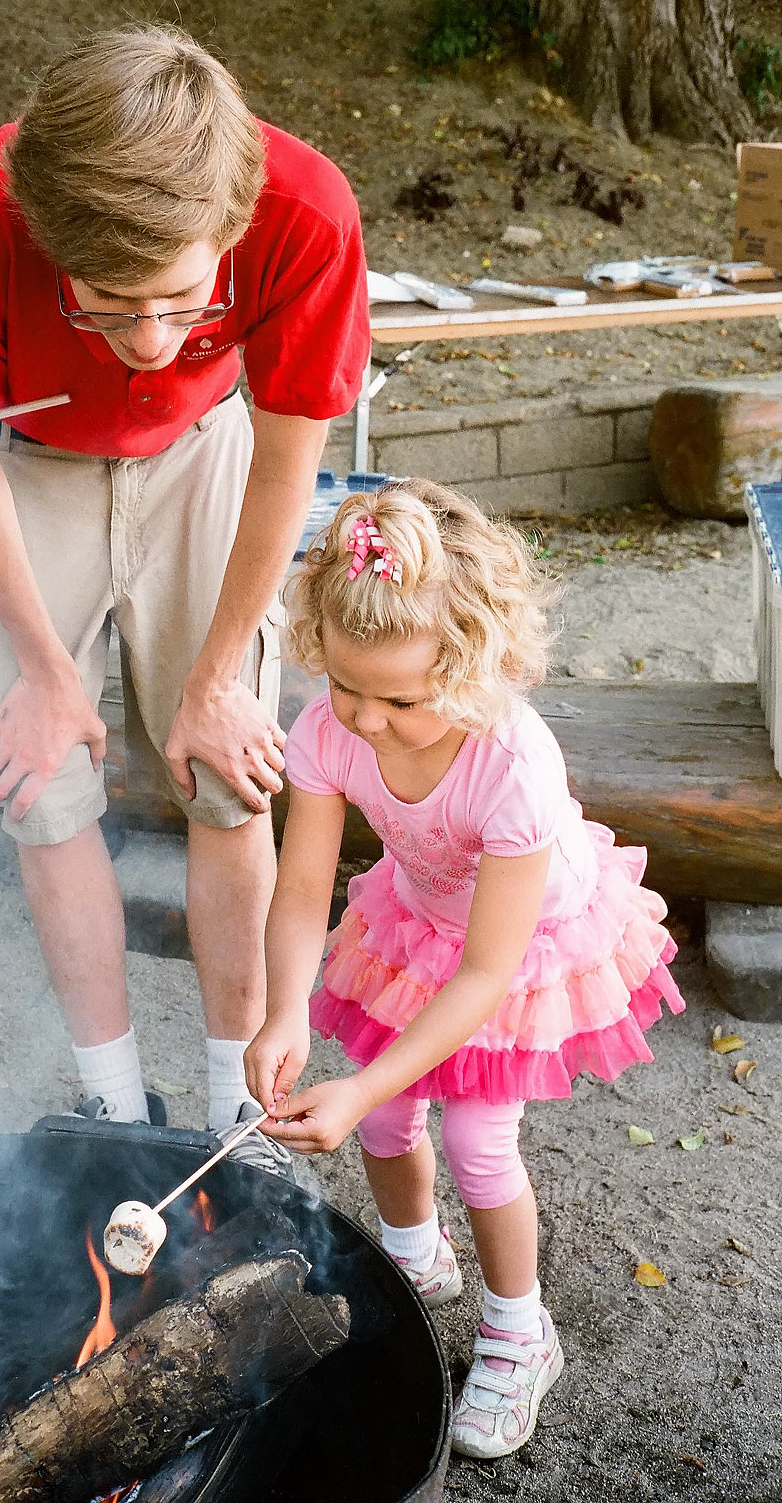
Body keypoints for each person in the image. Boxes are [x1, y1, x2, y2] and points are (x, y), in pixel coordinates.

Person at [0, 26, 370, 1156]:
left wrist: (216, 676)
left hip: (208, 452)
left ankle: (234, 1111)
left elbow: (286, 450)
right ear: (47, 237)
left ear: (233, 226)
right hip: (31, 463)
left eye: (178, 296)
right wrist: (53, 677)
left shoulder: (306, 209)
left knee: (229, 767)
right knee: (40, 778)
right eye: (108, 302)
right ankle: (113, 1103)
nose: (149, 339)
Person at [244, 478, 685, 1456]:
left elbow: (485, 974)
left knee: (478, 1140)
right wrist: (280, 1014)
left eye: (400, 697)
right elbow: (302, 880)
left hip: (519, 946)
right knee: (391, 1116)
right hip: (417, 915)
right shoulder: (328, 727)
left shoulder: (512, 763)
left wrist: (353, 1082)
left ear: (472, 662)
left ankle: (519, 1332)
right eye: (346, 685)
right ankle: (412, 1256)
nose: (362, 717)